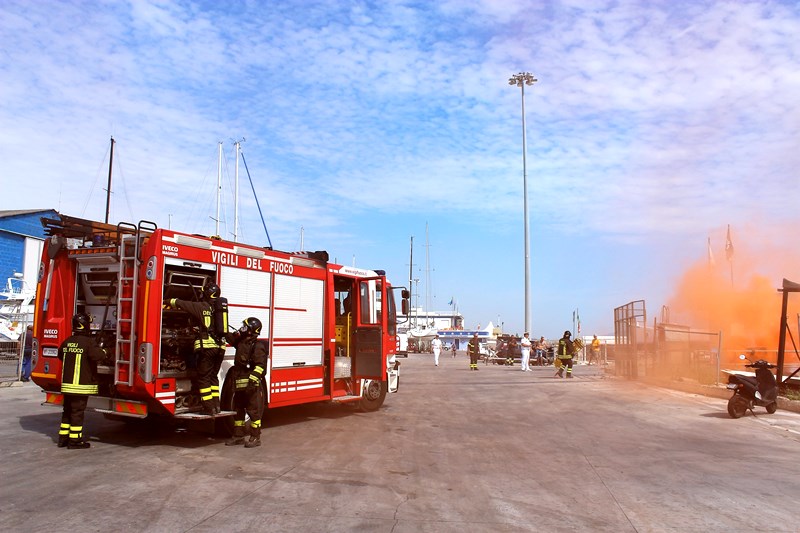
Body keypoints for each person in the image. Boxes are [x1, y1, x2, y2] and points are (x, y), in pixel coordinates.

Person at [163, 282, 227, 415]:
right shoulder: (220, 309)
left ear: (206, 293)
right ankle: (216, 406)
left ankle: (208, 408)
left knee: (203, 378)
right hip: (220, 348)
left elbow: (182, 303)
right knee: (213, 377)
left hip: (208, 349)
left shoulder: (201, 307)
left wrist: (167, 300)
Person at [57, 313, 106, 449]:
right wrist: (106, 351)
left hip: (67, 385)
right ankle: (75, 441)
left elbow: (60, 354)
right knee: (77, 413)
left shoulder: (67, 341)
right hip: (80, 386)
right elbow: (98, 356)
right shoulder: (88, 343)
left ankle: (63, 439)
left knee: (67, 411)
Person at [225, 317, 269, 448]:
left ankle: (255, 437)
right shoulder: (241, 342)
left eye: (244, 327)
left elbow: (260, 367)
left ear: (251, 330)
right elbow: (230, 339)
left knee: (253, 412)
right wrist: (223, 326)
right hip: (239, 384)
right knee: (238, 411)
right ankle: (238, 436)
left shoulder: (257, 346)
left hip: (251, 385)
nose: (242, 329)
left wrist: (252, 382)